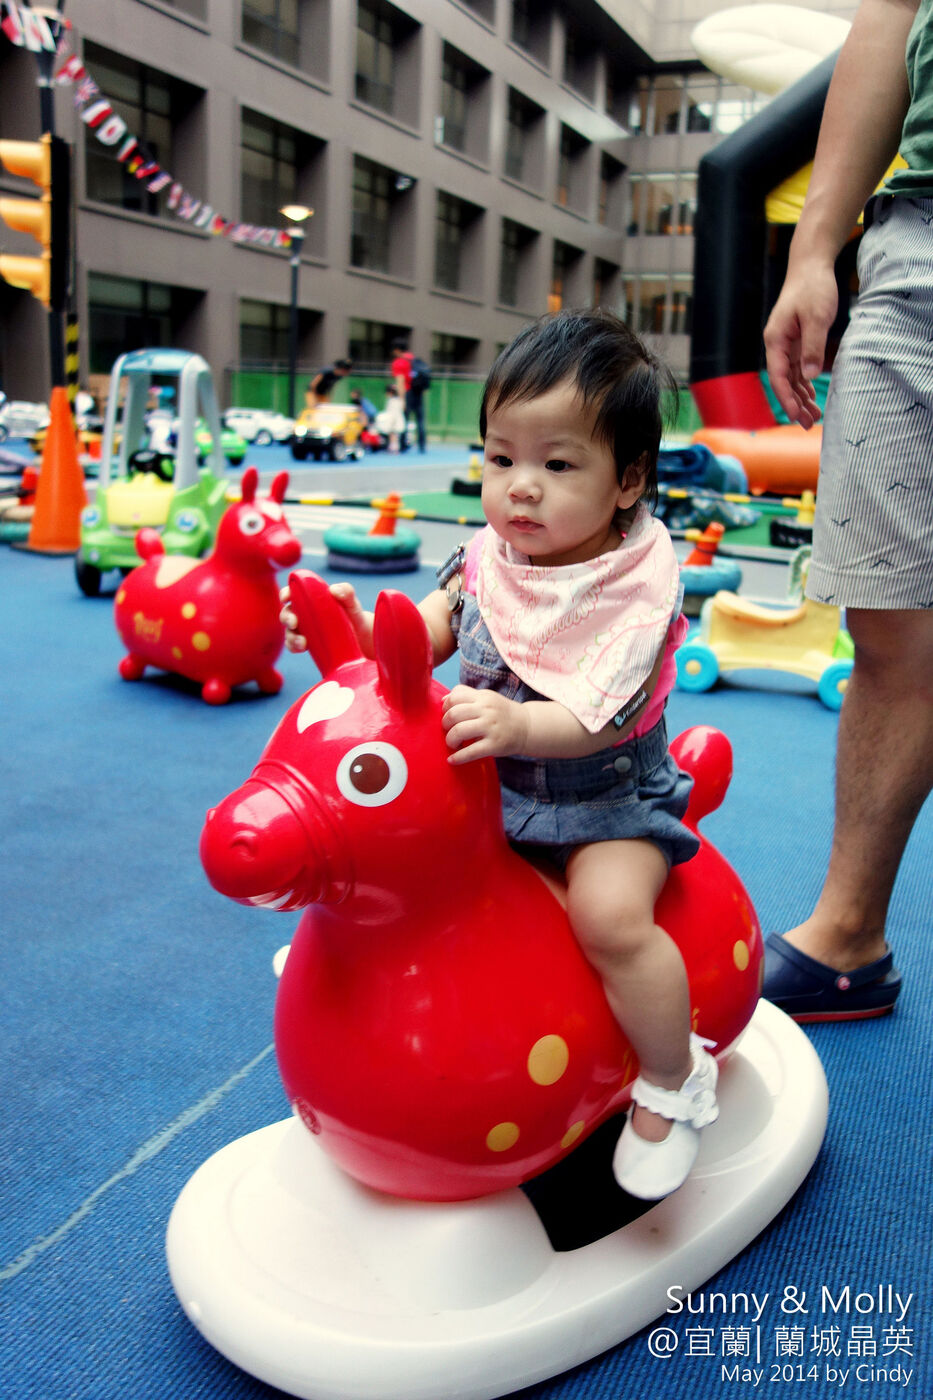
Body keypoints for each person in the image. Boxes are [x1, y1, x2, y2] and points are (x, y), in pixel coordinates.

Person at [283, 308, 719, 1200]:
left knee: (608, 919)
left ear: (628, 479)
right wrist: (367, 633)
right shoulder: (488, 556)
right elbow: (437, 625)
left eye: (558, 465)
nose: (520, 488)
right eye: (500, 458)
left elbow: (603, 716)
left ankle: (672, 1080)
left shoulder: (634, 590)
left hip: (603, 801)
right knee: (405, 870)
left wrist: (520, 729)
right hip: (488, 796)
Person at [761, 0, 932, 1022]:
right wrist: (813, 248)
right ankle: (848, 941)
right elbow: (891, 17)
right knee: (889, 617)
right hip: (915, 243)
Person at [390, 338, 428, 452]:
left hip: (408, 392)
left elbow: (400, 381)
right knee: (420, 419)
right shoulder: (414, 359)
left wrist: (402, 399)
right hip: (418, 393)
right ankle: (422, 445)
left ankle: (403, 445)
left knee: (404, 420)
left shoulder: (399, 362)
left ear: (397, 350)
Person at [373, 384, 406, 453]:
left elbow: (393, 413)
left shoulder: (393, 401)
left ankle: (394, 447)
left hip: (394, 421)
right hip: (395, 420)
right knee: (394, 435)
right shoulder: (397, 400)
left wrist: (391, 422)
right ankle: (394, 447)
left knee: (393, 435)